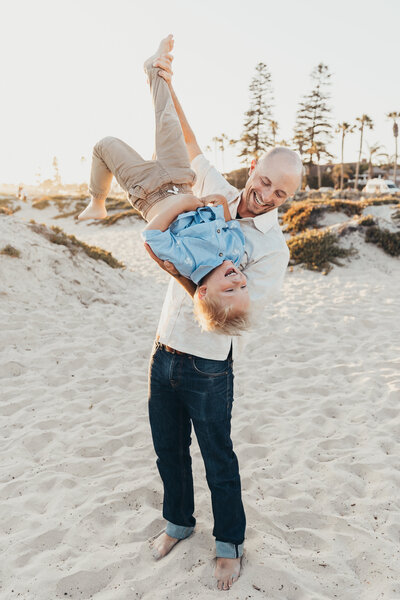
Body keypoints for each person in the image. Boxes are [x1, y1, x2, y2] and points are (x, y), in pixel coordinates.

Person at [144, 37, 303, 591]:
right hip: (163, 347)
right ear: (254, 169)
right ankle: (178, 523)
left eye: (278, 194)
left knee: (218, 456)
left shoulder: (273, 250)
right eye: (262, 180)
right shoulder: (215, 192)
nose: (263, 195)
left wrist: (183, 272)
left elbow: (233, 316)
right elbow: (186, 142)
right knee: (168, 450)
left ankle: (229, 544)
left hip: (209, 364)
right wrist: (165, 82)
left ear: (287, 200)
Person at [79, 36, 249, 334]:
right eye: (243, 287)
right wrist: (217, 202)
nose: (237, 281)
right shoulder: (235, 251)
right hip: (181, 176)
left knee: (105, 145)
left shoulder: (185, 263)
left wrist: (185, 205)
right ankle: (153, 69)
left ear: (204, 292)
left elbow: (151, 235)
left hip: (147, 190)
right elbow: (228, 220)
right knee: (168, 120)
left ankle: (97, 202)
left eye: (230, 291)